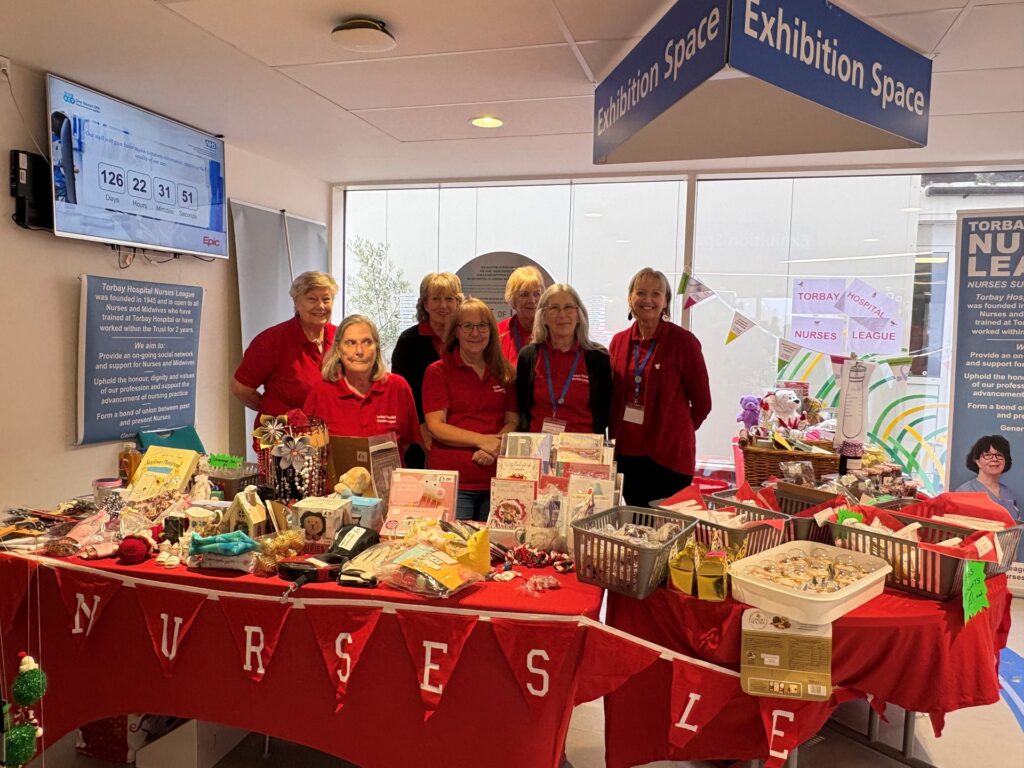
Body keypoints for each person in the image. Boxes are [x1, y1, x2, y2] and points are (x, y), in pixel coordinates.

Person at [609, 267, 711, 508]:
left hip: (670, 455)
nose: (647, 300)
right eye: (641, 292)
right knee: (634, 526)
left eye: (656, 293)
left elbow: (703, 403)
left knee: (667, 530)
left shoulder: (683, 342)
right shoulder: (619, 342)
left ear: (665, 301)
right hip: (627, 455)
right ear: (630, 298)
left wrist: (677, 430)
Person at [422, 298, 518, 522]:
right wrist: (482, 440)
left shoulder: (504, 372)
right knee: (454, 550)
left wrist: (492, 448)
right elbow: (436, 426)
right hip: (453, 485)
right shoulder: (438, 372)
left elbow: (513, 421)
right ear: (456, 331)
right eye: (468, 326)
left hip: (497, 482)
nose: (476, 333)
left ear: (491, 330)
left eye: (482, 325)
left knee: (491, 552)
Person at [232, 271, 338, 432]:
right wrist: (273, 411)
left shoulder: (341, 339)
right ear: (296, 302)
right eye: (312, 299)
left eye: (326, 299)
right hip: (284, 439)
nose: (321, 306)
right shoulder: (272, 340)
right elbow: (241, 389)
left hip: (330, 436)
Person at [303, 315, 420, 458]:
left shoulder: (398, 387)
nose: (359, 351)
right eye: (351, 343)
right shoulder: (321, 391)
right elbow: (310, 447)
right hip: (337, 480)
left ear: (376, 347)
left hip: (388, 479)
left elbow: (406, 443)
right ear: (338, 350)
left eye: (367, 342)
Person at [515, 283, 611, 435]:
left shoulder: (599, 357)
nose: (562, 315)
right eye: (554, 308)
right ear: (544, 317)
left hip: (583, 451)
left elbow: (605, 411)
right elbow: (522, 409)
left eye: (568, 308)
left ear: (579, 315)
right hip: (537, 449)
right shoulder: (528, 356)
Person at [392, 272, 464, 468]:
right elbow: (404, 391)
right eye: (436, 299)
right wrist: (422, 427)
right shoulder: (408, 341)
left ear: (458, 303)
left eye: (449, 299)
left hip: (461, 426)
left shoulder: (467, 338)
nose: (443, 305)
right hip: (420, 432)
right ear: (425, 304)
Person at [956, 435, 1019, 519]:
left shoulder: (1008, 493)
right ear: (977, 461)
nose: (994, 459)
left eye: (999, 455)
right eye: (988, 455)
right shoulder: (964, 492)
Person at [497, 266, 545, 364]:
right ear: (512, 299)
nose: (532, 301)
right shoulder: (498, 333)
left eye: (537, 294)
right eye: (524, 294)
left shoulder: (552, 332)